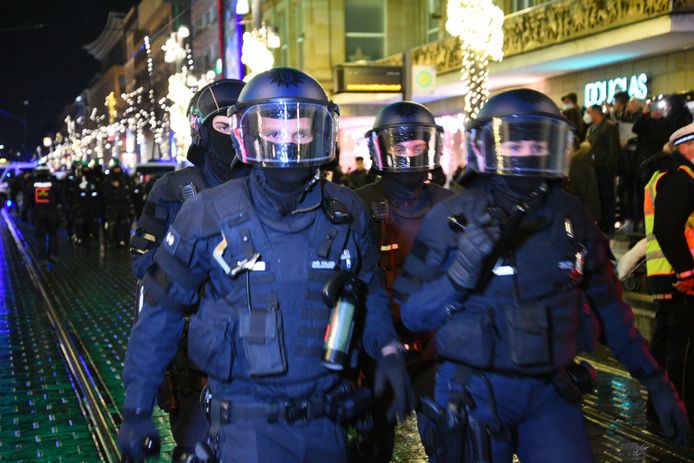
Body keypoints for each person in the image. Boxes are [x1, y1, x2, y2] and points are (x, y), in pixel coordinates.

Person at [118, 67, 415, 463]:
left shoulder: (347, 211)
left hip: (327, 422)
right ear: (250, 135)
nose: (287, 147)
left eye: (300, 135)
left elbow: (369, 291)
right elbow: (160, 311)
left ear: (319, 133)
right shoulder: (205, 212)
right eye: (273, 134)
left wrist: (389, 349)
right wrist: (137, 408)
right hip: (245, 426)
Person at [396, 89, 689, 462]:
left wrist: (656, 382)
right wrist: (459, 277)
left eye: (537, 143)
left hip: (551, 392)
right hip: (475, 393)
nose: (527, 154)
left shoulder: (571, 215)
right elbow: (412, 314)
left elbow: (612, 311)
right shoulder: (453, 216)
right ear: (488, 146)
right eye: (514, 146)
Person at [128, 78, 248, 462]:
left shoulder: (266, 184)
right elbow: (142, 264)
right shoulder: (174, 188)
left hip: (255, 342)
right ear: (202, 128)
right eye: (222, 126)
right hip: (191, 344)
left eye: (239, 125)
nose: (230, 136)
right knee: (195, 446)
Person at [354, 101, 453, 462]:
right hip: (372, 350)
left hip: (435, 350)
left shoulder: (451, 204)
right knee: (370, 446)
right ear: (382, 149)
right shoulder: (357, 204)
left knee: (451, 441)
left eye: (418, 147)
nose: (410, 156)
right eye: (400, 147)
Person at [645, 122, 694, 421]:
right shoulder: (684, 178)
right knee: (685, 350)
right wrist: (688, 273)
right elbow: (667, 228)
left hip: (663, 273)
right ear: (687, 147)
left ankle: (661, 412)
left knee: (667, 346)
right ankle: (683, 416)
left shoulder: (662, 176)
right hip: (680, 277)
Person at [586, 103, 620, 233]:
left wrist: (609, 166)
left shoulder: (609, 127)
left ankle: (609, 224)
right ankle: (600, 222)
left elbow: (614, 149)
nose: (588, 115)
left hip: (605, 168)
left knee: (607, 196)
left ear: (596, 112)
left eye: (590, 112)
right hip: (594, 168)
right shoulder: (592, 128)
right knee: (598, 196)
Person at [31, 165, 63, 264]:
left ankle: (42, 256)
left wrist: (24, 213)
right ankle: (52, 254)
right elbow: (61, 199)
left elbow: (27, 200)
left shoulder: (32, 185)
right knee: (53, 234)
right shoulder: (54, 184)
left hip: (38, 214)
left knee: (40, 236)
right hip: (52, 213)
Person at [103, 159, 132, 248]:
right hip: (113, 205)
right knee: (112, 223)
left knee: (124, 223)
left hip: (123, 205)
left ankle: (123, 240)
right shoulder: (109, 179)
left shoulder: (125, 178)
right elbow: (105, 192)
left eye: (118, 168)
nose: (117, 170)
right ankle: (111, 241)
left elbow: (129, 190)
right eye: (115, 168)